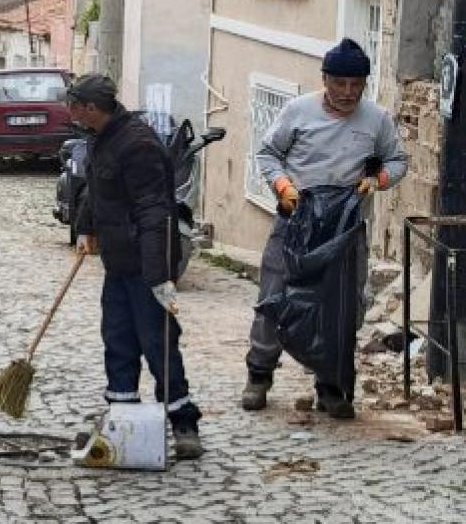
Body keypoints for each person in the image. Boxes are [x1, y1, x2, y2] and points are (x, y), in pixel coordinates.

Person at [241, 38, 407, 417]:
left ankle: (331, 386)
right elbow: (268, 153)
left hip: (344, 231)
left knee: (342, 308)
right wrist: (282, 186)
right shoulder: (298, 112)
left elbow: (398, 161)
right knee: (274, 298)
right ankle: (259, 374)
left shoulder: (377, 119)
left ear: (364, 84)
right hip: (295, 223)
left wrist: (378, 180)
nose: (348, 93)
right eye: (339, 84)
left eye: (356, 85)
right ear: (325, 80)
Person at [68, 74, 203, 461]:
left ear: (91, 108)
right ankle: (123, 416)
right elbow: (98, 189)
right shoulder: (101, 138)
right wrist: (85, 227)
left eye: (74, 106)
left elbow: (154, 214)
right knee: (117, 338)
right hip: (118, 263)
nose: (69, 112)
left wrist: (159, 276)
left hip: (145, 268)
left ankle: (184, 423)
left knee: (158, 343)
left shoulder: (138, 146)